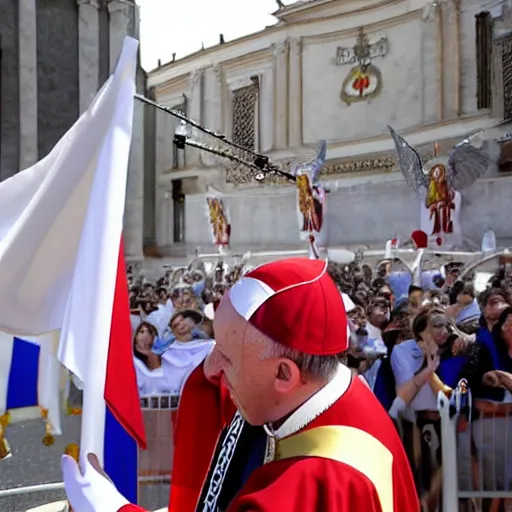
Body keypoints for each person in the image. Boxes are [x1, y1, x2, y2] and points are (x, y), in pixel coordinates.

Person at [62, 258, 419, 512]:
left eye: (226, 355)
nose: (211, 368)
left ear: (284, 375)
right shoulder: (342, 391)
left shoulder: (315, 479)